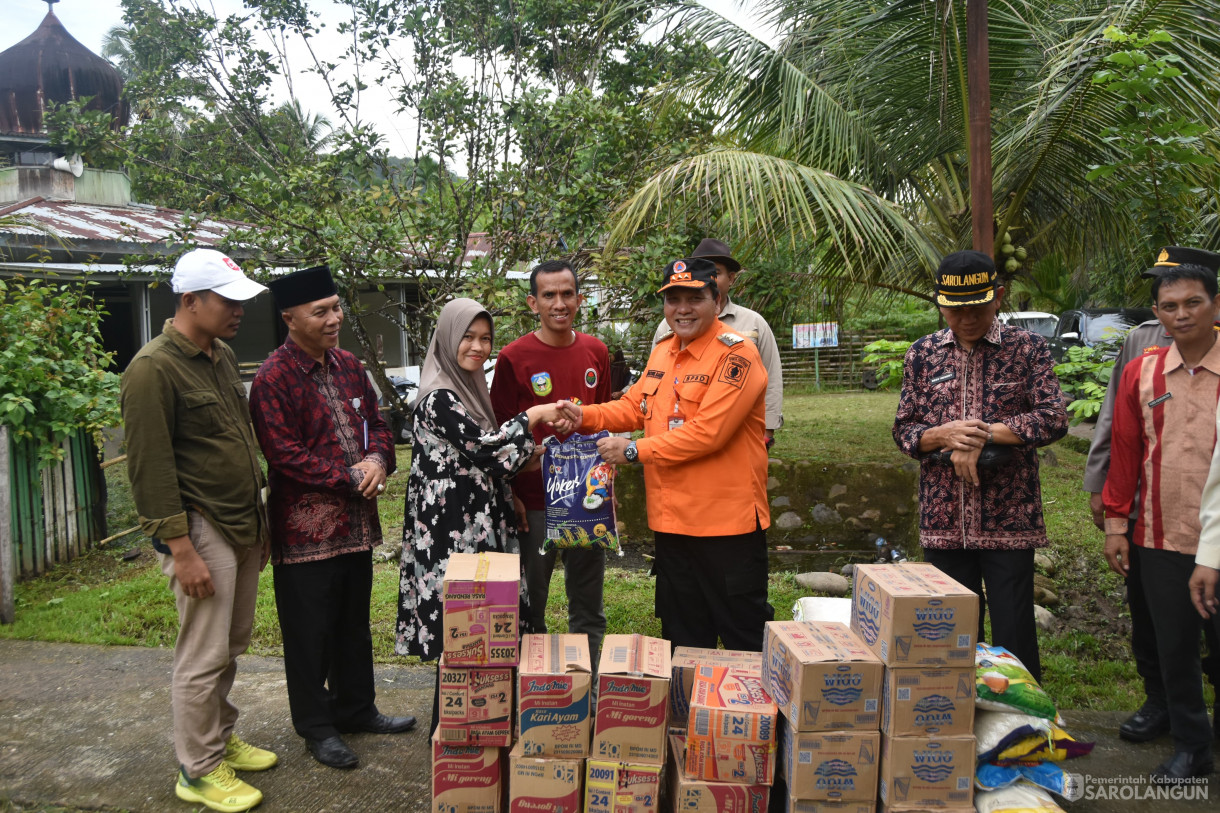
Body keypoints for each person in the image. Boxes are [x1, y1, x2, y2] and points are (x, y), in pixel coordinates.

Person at [120, 248, 275, 813]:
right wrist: (181, 550)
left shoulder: (220, 353)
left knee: (231, 643)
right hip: (200, 526)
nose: (238, 311)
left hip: (239, 522)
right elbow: (151, 467)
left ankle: (218, 735)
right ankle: (198, 767)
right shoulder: (152, 368)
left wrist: (260, 525)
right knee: (203, 651)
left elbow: (234, 438)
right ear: (191, 301)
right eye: (228, 301)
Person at [554, 257, 773, 651]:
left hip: (726, 527)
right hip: (673, 525)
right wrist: (583, 415)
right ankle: (690, 713)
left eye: (694, 298)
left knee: (744, 635)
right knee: (683, 634)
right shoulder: (664, 353)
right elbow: (634, 407)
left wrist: (634, 450)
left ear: (717, 299)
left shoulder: (737, 356)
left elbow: (708, 434)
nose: (682, 309)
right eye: (673, 299)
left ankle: (754, 715)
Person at [249, 266, 415, 772]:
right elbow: (283, 454)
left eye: (336, 307)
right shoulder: (272, 378)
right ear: (290, 318)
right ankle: (318, 728)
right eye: (320, 311)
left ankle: (356, 708)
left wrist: (378, 462)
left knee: (352, 624)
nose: (334, 318)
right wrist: (349, 476)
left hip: (356, 526)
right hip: (305, 533)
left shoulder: (349, 366)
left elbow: (380, 427)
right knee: (309, 631)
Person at [892, 250, 1067, 682]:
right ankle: (954, 717)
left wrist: (984, 434)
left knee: (1014, 628)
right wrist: (944, 435)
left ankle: (1021, 723)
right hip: (944, 515)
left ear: (999, 298)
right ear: (939, 304)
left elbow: (1053, 417)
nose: (966, 318)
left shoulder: (1028, 349)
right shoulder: (922, 355)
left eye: (977, 307)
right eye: (954, 309)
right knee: (952, 629)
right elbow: (904, 430)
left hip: (1009, 516)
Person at [394, 298, 565, 730]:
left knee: (487, 626)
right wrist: (534, 415)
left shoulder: (470, 390)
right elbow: (489, 450)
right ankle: (450, 732)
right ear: (448, 337)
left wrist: (539, 463)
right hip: (453, 528)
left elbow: (493, 457)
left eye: (485, 338)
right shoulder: (439, 398)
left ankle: (482, 725)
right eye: (467, 337)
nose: (477, 347)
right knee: (464, 627)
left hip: (479, 516)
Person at [1083, 245, 1220, 743]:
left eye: (1192, 301)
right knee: (1161, 630)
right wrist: (1108, 504)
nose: (1179, 313)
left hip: (1213, 527)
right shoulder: (1142, 354)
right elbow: (1118, 434)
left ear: (1215, 302)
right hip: (1155, 520)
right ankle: (1172, 717)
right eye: (1167, 302)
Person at [489, 259, 612, 661]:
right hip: (536, 502)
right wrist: (513, 496)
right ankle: (535, 693)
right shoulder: (513, 357)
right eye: (549, 295)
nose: (559, 303)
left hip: (587, 499)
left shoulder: (597, 351)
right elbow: (502, 435)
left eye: (567, 294)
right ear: (533, 302)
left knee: (588, 604)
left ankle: (588, 694)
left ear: (579, 298)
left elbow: (605, 419)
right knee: (531, 606)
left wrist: (607, 492)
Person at [652, 238, 783, 446]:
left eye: (716, 273)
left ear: (731, 278)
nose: (708, 277)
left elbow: (772, 378)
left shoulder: (754, 323)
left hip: (739, 431)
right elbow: (657, 383)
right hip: (680, 436)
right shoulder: (669, 325)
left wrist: (768, 430)